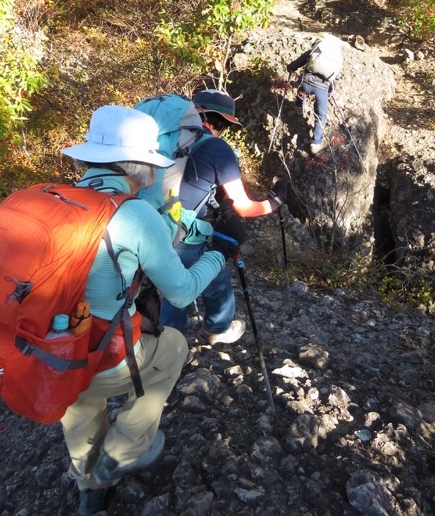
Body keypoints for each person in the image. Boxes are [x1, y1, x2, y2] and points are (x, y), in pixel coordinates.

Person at [60, 105, 238, 516]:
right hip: (104, 361)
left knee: (81, 408)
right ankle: (123, 451)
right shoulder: (135, 213)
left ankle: (90, 492)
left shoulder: (61, 198)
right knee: (173, 346)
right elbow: (181, 292)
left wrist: (189, 225)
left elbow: (152, 228)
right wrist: (218, 255)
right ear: (139, 165)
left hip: (52, 356)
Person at [159, 89, 287, 345]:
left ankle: (213, 328)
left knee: (211, 276)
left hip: (147, 219)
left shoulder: (165, 137)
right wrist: (274, 202)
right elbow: (244, 207)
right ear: (220, 122)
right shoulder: (217, 149)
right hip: (181, 233)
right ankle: (165, 350)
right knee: (180, 288)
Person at [287, 34, 344, 156]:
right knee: (321, 116)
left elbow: (294, 65)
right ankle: (316, 143)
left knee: (302, 90)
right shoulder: (336, 59)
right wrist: (329, 91)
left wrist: (290, 68)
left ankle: (298, 107)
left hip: (305, 83)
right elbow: (335, 79)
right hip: (321, 89)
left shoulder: (313, 52)